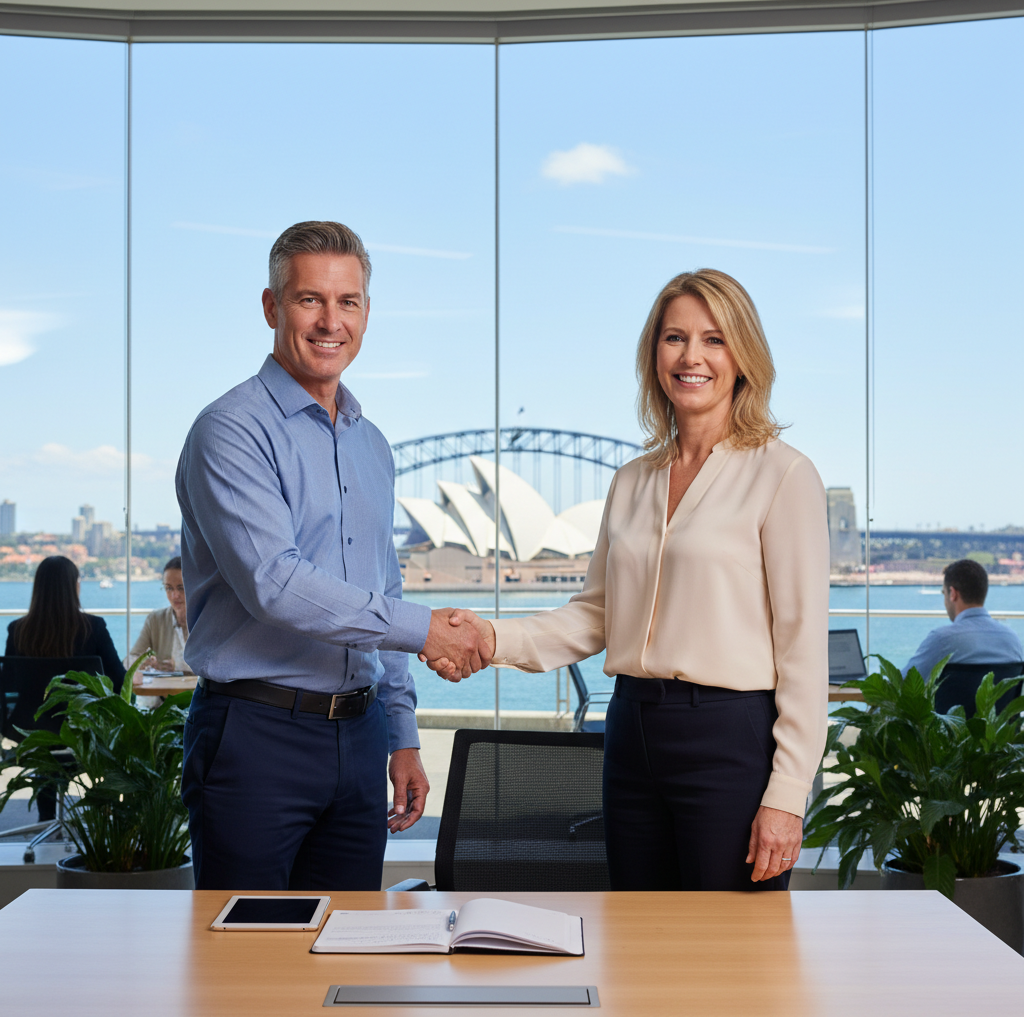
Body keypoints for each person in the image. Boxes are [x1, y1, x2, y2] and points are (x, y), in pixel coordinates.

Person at [427, 269, 829, 891]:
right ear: (654, 354)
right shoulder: (633, 480)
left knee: (735, 940)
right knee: (639, 933)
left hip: (728, 739)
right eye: (674, 338)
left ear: (743, 356)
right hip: (632, 733)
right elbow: (595, 615)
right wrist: (490, 636)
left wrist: (787, 793)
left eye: (714, 339)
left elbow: (803, 648)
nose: (691, 357)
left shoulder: (784, 475)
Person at [175, 220, 489, 892]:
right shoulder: (230, 430)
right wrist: (427, 631)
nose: (330, 321)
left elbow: (385, 587)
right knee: (249, 947)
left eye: (347, 302)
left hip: (360, 734)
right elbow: (275, 583)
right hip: (257, 737)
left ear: (367, 313)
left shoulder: (372, 444)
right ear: (272, 307)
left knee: (349, 940)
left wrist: (401, 733)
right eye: (309, 299)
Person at [4, 555, 126, 820]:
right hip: (83, 728)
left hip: (30, 730)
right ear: (74, 586)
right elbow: (119, 681)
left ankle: (47, 819)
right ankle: (101, 820)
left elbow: (10, 685)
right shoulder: (93, 628)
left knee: (47, 745)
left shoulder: (18, 630)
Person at [902, 559, 1023, 678]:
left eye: (944, 593)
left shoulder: (942, 640)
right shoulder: (1013, 641)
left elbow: (902, 684)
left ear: (953, 594)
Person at [126, 556, 191, 673]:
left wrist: (178, 666)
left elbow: (215, 666)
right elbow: (129, 660)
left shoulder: (207, 621)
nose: (174, 595)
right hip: (166, 685)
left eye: (181, 588)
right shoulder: (155, 619)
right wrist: (141, 662)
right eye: (169, 588)